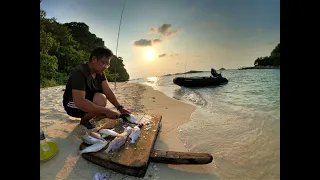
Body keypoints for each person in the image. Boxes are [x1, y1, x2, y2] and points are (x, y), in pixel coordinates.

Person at [62, 47, 131, 129]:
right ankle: (84, 120)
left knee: (101, 98)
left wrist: (120, 107)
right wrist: (107, 111)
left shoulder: (100, 73)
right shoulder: (80, 72)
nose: (105, 67)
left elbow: (107, 91)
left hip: (87, 101)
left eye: (108, 65)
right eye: (104, 63)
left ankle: (94, 116)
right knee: (100, 103)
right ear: (94, 59)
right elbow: (79, 101)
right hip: (73, 105)